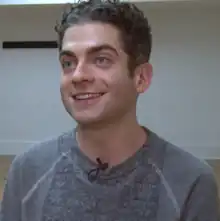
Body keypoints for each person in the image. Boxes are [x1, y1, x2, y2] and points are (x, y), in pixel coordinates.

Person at [0, 0, 219, 220]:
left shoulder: (191, 182)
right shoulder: (27, 171)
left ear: (141, 78)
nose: (77, 75)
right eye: (68, 63)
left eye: (101, 60)